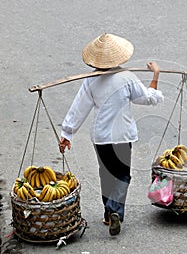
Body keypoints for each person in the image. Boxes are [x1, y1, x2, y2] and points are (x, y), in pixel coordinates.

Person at [59, 33, 164, 236]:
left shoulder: (90, 81)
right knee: (123, 174)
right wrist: (156, 74)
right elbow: (148, 99)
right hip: (123, 136)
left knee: (106, 174)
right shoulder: (127, 78)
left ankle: (109, 214)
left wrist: (67, 133)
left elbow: (79, 109)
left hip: (102, 137)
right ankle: (116, 210)